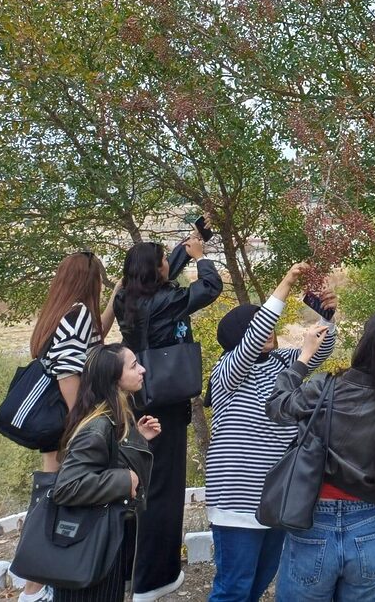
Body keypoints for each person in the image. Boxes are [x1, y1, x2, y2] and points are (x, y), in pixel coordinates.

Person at [266, 312, 375, 602]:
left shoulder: (326, 387)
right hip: (369, 525)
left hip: (313, 521)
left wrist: (303, 357)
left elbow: (277, 406)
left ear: (364, 345)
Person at [204, 263, 338, 602]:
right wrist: (288, 280)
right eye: (258, 327)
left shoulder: (280, 361)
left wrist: (327, 319)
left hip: (275, 494)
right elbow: (257, 343)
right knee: (233, 588)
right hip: (237, 497)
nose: (268, 332)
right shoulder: (228, 371)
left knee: (259, 583)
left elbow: (318, 351)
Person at [113, 230, 223, 601]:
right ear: (154, 270)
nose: (167, 264)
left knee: (140, 483)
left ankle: (128, 570)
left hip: (137, 401)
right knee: (165, 490)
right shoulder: (166, 300)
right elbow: (210, 288)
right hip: (168, 402)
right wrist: (202, 257)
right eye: (164, 259)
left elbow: (158, 275)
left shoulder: (124, 297)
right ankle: (154, 579)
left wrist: (184, 249)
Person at [19, 251, 110, 602]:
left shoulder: (62, 312)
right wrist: (80, 423)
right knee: (55, 498)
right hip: (65, 420)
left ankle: (37, 582)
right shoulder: (79, 313)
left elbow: (87, 342)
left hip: (49, 420)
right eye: (101, 279)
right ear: (91, 280)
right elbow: (69, 371)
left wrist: (114, 306)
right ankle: (35, 586)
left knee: (48, 493)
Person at [52, 344, 159, 602]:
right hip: (90, 546)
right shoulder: (98, 425)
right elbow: (67, 486)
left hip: (104, 543)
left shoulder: (115, 418)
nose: (142, 369)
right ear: (114, 379)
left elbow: (106, 463)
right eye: (133, 366)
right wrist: (124, 479)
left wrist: (137, 440)